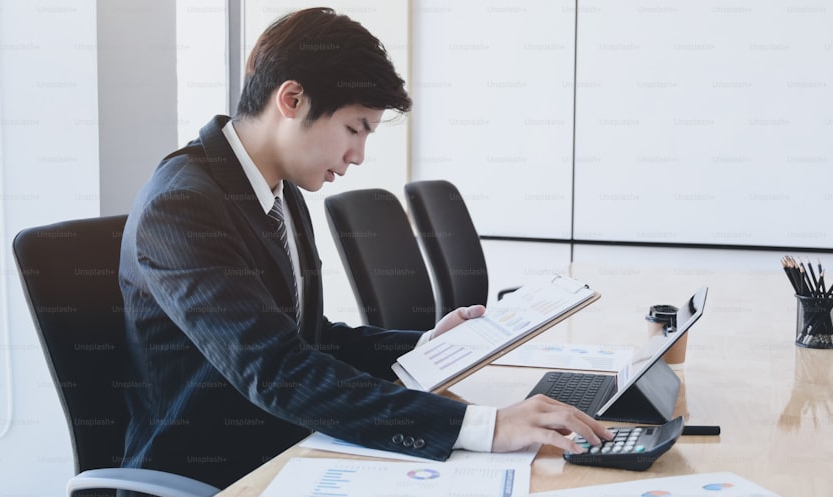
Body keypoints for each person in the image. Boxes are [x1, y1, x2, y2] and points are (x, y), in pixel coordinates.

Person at [119, 7, 609, 489]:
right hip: (222, 473)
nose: (358, 155)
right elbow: (275, 370)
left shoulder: (280, 189)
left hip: (294, 444)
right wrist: (487, 426)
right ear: (291, 99)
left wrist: (424, 349)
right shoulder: (183, 205)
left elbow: (305, 337)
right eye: (355, 128)